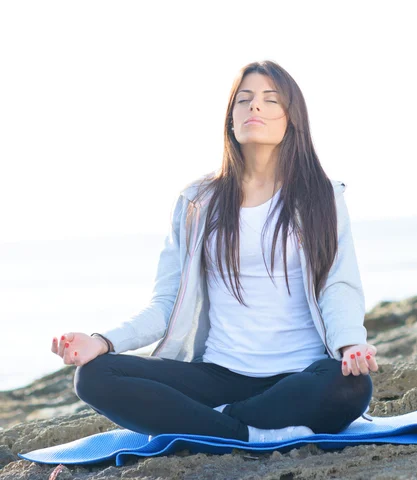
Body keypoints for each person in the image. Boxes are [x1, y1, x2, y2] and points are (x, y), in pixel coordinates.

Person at [50, 60, 378, 444]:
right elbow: (167, 303)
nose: (255, 107)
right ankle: (245, 432)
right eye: (244, 99)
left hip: (299, 376)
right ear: (231, 118)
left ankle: (211, 427)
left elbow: (337, 285)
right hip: (218, 377)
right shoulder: (197, 202)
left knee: (351, 385)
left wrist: (350, 343)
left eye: (271, 100)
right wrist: (102, 342)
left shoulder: (322, 197)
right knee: (92, 377)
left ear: (292, 119)